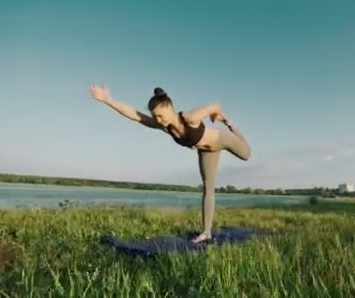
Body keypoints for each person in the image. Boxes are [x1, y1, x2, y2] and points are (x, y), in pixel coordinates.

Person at [88, 85, 251, 243]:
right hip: (207, 150)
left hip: (222, 138)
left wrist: (216, 114)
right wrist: (108, 100)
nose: (158, 120)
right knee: (208, 187)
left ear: (170, 107)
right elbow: (135, 115)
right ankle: (206, 232)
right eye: (155, 117)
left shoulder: (189, 117)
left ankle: (231, 125)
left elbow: (215, 105)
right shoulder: (166, 127)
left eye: (160, 115)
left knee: (247, 155)